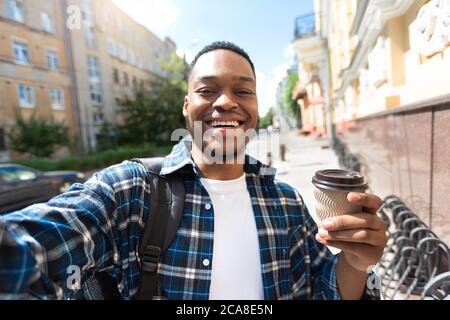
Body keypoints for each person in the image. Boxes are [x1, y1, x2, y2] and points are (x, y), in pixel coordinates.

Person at [0, 41, 387, 300]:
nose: (225, 103)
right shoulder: (131, 191)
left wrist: (353, 262)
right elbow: (37, 244)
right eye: (207, 90)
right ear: (186, 107)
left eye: (242, 91)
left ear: (255, 106)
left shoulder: (285, 203)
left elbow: (323, 291)